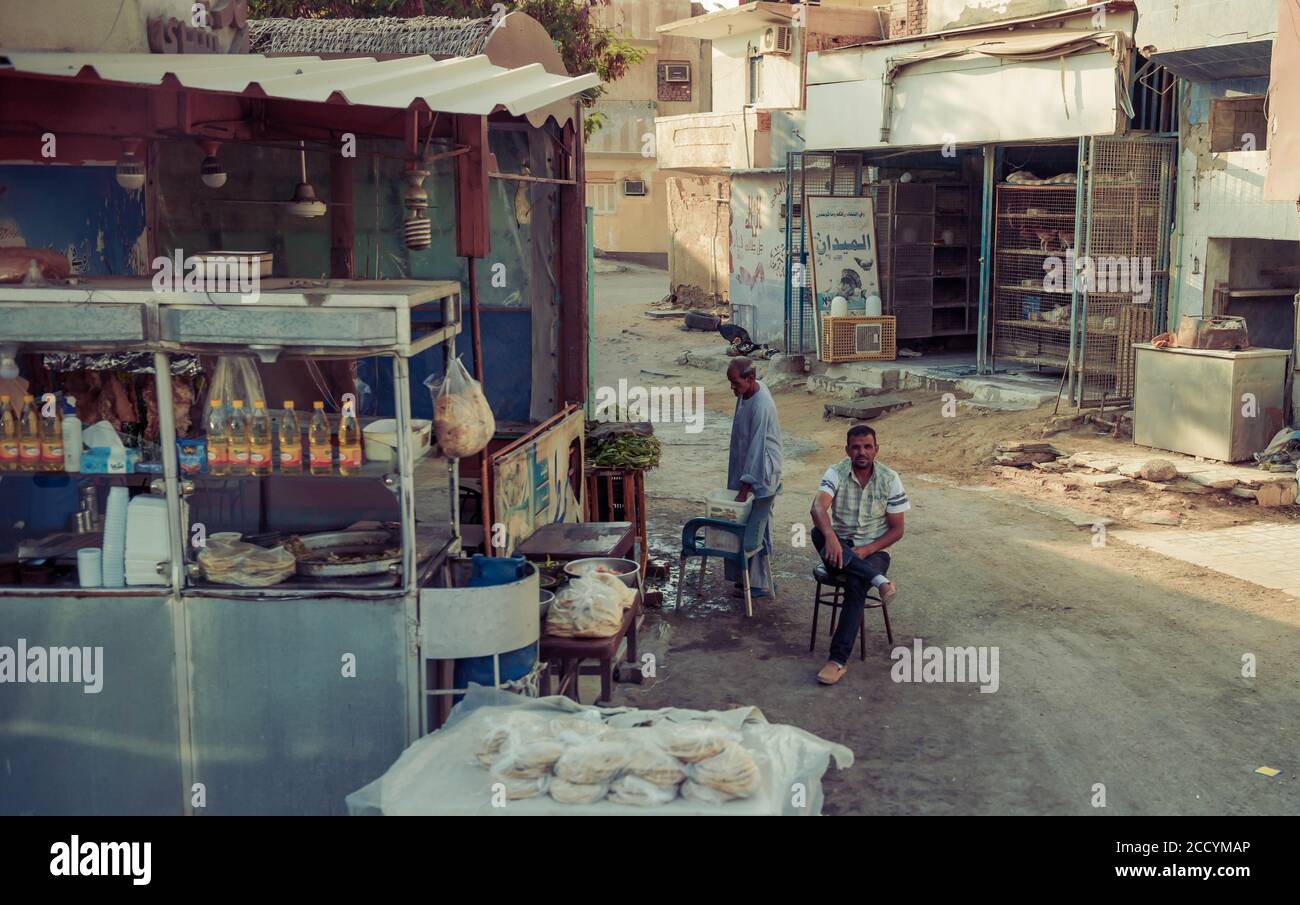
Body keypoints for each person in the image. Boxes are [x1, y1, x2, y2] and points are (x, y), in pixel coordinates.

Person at [809, 424, 908, 685]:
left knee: (856, 583)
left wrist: (866, 549)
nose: (861, 452)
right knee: (817, 532)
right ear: (847, 450)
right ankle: (881, 582)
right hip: (838, 550)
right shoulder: (836, 471)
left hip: (875, 552)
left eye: (867, 446)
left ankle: (837, 661)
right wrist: (831, 537)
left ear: (876, 449)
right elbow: (818, 507)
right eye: (855, 447)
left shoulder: (890, 478)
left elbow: (897, 530)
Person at [725, 356, 783, 600]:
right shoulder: (745, 394)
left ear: (750, 379)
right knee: (742, 522)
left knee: (757, 524)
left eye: (735, 383)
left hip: (763, 469)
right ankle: (746, 577)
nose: (732, 388)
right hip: (745, 464)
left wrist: (744, 486)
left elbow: (758, 448)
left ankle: (760, 583)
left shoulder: (762, 405)